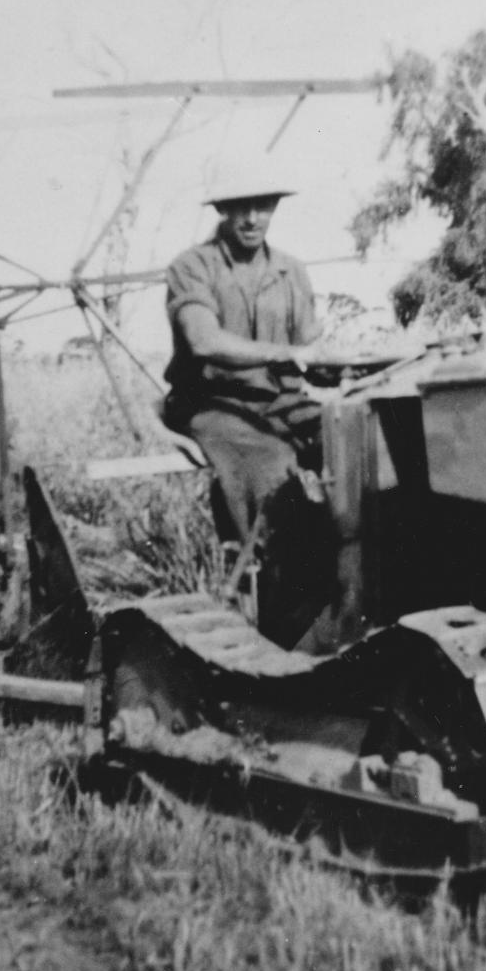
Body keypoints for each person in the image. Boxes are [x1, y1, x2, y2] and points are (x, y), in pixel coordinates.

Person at [162, 169, 333, 646]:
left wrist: (329, 357)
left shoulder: (291, 270)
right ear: (222, 210)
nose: (253, 217)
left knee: (352, 440)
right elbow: (202, 340)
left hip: (283, 399)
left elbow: (306, 344)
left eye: (264, 205)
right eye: (242, 206)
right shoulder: (193, 266)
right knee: (273, 467)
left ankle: (339, 590)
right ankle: (268, 616)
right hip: (213, 401)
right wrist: (283, 354)